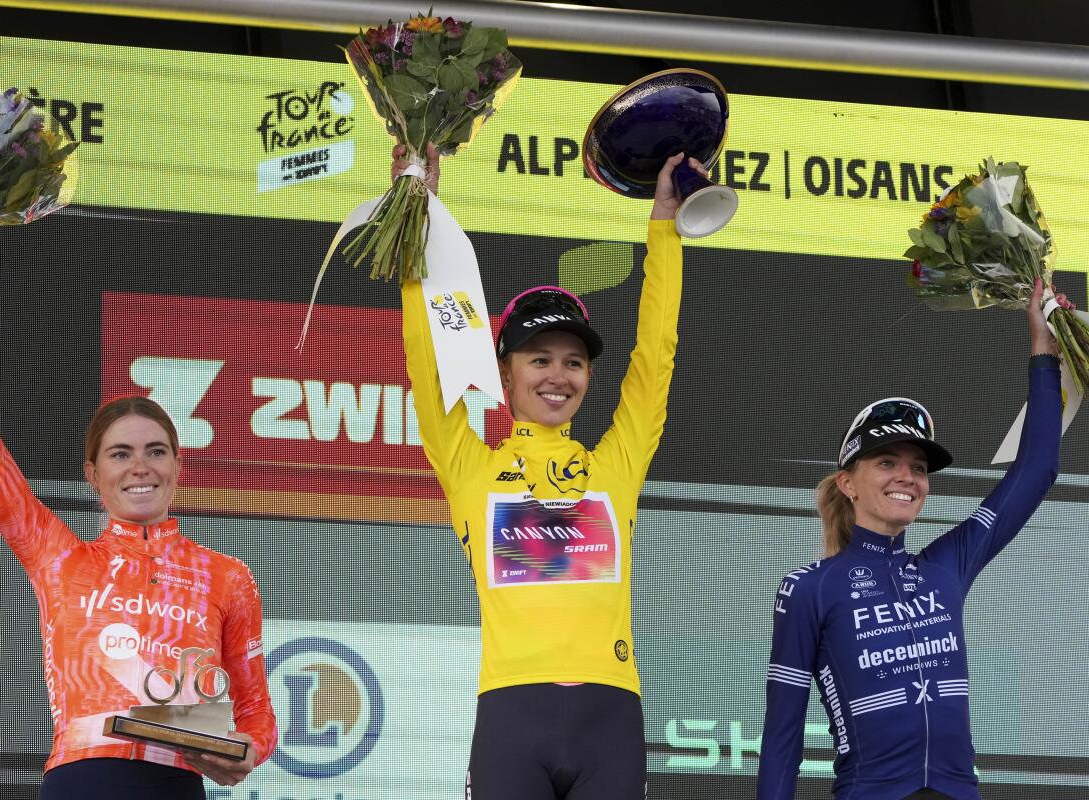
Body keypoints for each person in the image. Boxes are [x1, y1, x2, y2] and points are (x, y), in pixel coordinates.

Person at [394, 144, 698, 799]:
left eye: (573, 361)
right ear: (505, 374)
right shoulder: (473, 466)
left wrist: (665, 227)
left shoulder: (614, 466)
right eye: (539, 359)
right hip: (512, 717)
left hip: (610, 718)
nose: (558, 375)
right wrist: (419, 208)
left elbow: (656, 357)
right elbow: (427, 358)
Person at [0, 214, 277, 799]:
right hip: (84, 778)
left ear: (178, 466)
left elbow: (255, 711)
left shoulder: (229, 578)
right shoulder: (59, 558)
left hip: (176, 786)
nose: (140, 467)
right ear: (93, 476)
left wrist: (247, 750)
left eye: (156, 451)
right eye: (120, 454)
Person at [757, 280, 1074, 800]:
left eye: (919, 467)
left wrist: (1043, 353)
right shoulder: (808, 589)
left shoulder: (948, 563)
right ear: (847, 483)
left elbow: (1037, 467)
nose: (907, 477)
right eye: (887, 462)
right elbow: (783, 734)